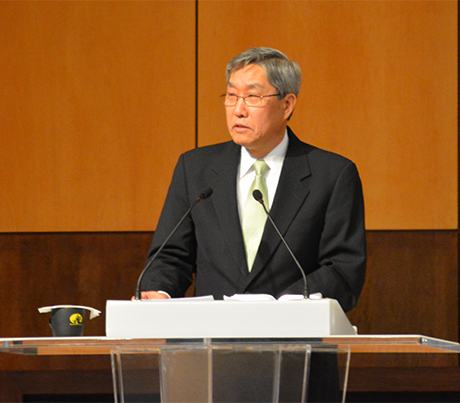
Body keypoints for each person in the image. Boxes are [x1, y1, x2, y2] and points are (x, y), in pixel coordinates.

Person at [138, 46, 366, 402]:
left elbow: (344, 268)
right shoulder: (195, 169)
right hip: (207, 361)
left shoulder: (331, 174)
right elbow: (170, 255)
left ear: (287, 105)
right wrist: (159, 291)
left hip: (297, 362)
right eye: (231, 96)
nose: (238, 109)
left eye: (253, 97)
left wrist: (279, 307)